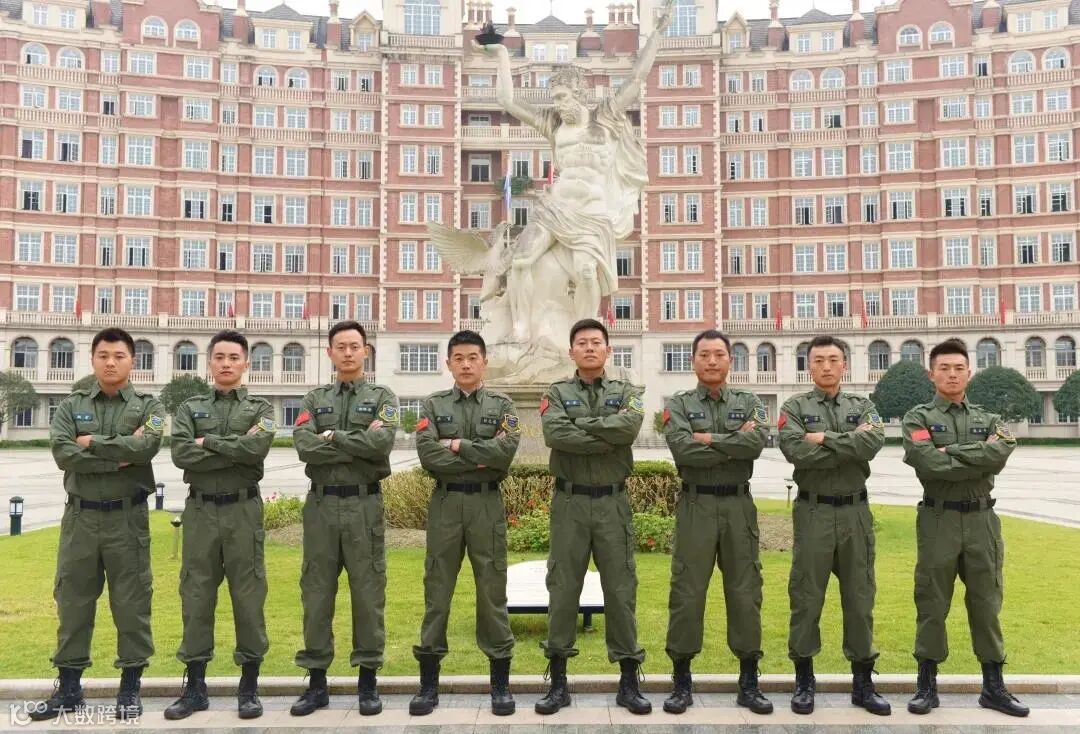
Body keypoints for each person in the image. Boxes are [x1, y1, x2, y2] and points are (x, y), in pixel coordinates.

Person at [33, 327, 165, 721]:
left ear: (133, 361)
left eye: (119, 355)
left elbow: (146, 447)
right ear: (92, 359)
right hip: (81, 518)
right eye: (103, 355)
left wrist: (90, 442)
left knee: (132, 602)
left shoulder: (149, 406)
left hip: (128, 519)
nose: (110, 362)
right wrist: (119, 457)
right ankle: (69, 688)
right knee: (73, 600)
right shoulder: (70, 406)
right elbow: (63, 453)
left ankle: (130, 688)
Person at [902, 339, 1027, 717]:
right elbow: (928, 463)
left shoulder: (989, 419)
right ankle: (927, 685)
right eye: (944, 368)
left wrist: (951, 452)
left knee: (986, 602)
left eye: (958, 368)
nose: (952, 374)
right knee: (932, 601)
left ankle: (994, 686)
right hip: (938, 520)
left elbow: (1000, 452)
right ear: (931, 374)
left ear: (969, 373)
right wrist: (977, 455)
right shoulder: (918, 418)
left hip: (981, 520)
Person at [535, 318, 650, 715]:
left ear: (608, 350)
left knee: (620, 589)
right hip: (570, 504)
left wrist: (581, 428)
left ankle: (629, 681)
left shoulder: (627, 391)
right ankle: (558, 682)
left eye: (595, 342)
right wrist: (604, 434)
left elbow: (628, 429)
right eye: (581, 342)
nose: (588, 348)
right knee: (563, 588)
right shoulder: (556, 392)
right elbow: (555, 434)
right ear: (571, 352)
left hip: (612, 504)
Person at [289, 321, 398, 717]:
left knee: (368, 593)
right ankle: (316, 683)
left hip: (363, 506)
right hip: (321, 507)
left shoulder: (382, 397)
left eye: (355, 346)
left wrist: (332, 436)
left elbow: (381, 443)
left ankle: (367, 682)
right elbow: (305, 447)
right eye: (341, 346)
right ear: (330, 353)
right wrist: (357, 442)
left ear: (365, 351)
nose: (348, 353)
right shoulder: (313, 398)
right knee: (316, 593)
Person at [165, 331, 276, 720]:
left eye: (233, 357)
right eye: (219, 357)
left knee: (248, 596)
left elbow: (257, 450)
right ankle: (195, 688)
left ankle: (249, 688)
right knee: (196, 595)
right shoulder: (189, 407)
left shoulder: (261, 408)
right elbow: (182, 455)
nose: (226, 363)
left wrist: (207, 442)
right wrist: (233, 447)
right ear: (209, 362)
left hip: (243, 511)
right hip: (200, 511)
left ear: (246, 363)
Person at [409, 330, 521, 716]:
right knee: (437, 591)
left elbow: (505, 454)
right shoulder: (434, 404)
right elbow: (428, 456)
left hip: (486, 505)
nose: (466, 364)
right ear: (449, 363)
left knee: (492, 592)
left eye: (473, 357)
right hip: (446, 504)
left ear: (484, 362)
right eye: (459, 358)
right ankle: (428, 685)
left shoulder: (502, 404)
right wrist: (480, 456)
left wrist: (456, 445)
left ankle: (500, 684)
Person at [661, 329, 772, 716]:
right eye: (704, 354)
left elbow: (755, 444)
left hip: (738, 506)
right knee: (687, 591)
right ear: (693, 360)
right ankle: (681, 679)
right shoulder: (678, 404)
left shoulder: (750, 402)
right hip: (696, 505)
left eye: (719, 354)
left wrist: (707, 439)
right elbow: (682, 449)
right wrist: (730, 442)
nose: (712, 361)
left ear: (730, 359)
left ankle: (749, 680)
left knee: (745, 591)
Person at [777, 335, 890, 716]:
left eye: (833, 359)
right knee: (806, 596)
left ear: (845, 364)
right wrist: (848, 443)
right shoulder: (794, 407)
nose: (826, 366)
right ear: (808, 366)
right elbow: (796, 451)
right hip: (814, 512)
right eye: (818, 360)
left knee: (860, 597)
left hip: (855, 512)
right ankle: (804, 681)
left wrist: (823, 438)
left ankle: (863, 682)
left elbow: (871, 444)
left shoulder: (864, 406)